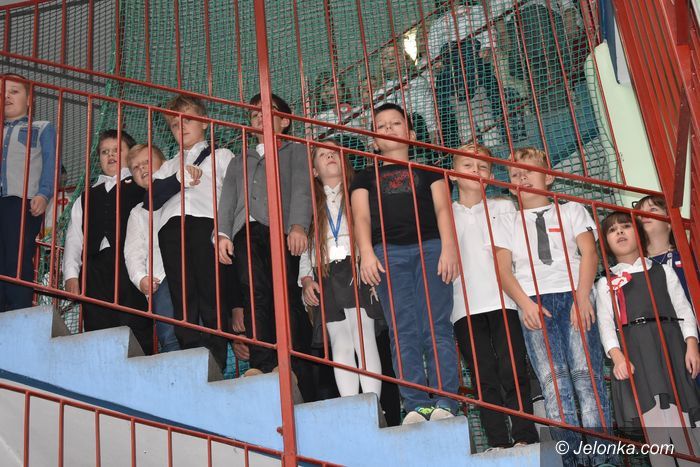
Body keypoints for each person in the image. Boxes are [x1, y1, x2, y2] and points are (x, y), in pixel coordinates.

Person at [492, 147, 613, 466]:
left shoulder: (572, 210)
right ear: (510, 185)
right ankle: (570, 459)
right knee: (554, 383)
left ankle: (601, 456)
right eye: (515, 174)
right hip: (534, 302)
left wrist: (582, 296)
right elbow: (503, 270)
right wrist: (524, 304)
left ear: (547, 177)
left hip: (573, 295)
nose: (522, 178)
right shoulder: (506, 221)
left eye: (529, 171)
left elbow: (589, 253)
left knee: (586, 377)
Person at [350, 103, 460, 424]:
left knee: (436, 326)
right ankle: (416, 404)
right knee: (402, 329)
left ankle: (446, 401)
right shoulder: (363, 178)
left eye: (395, 123)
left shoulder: (430, 172)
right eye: (381, 126)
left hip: (431, 249)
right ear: (373, 140)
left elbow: (443, 210)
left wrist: (449, 247)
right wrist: (366, 253)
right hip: (388, 255)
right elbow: (361, 217)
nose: (388, 129)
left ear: (410, 133)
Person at [217, 93, 314, 399]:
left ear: (284, 121)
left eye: (267, 111)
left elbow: (302, 188)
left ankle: (293, 363)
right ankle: (262, 362)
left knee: (284, 293)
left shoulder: (295, 151)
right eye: (254, 113)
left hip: (280, 229)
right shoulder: (239, 160)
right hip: (245, 231)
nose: (259, 115)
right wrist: (222, 234)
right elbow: (227, 200)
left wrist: (297, 226)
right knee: (253, 292)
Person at [450, 143, 538, 449]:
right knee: (483, 376)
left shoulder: (503, 206)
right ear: (452, 174)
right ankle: (498, 442)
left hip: (505, 302)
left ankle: (525, 435)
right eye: (467, 165)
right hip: (463, 307)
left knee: (513, 370)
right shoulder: (445, 213)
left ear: (490, 176)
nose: (476, 171)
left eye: (483, 167)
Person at [596, 211, 700, 467]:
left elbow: (684, 308)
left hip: (671, 348)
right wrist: (617, 357)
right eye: (612, 230)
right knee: (655, 428)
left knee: (685, 422)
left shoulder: (663, 270)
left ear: (639, 234)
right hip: (636, 354)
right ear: (605, 243)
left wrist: (691, 344)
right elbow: (606, 324)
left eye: (625, 226)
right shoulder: (606, 282)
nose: (620, 232)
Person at [150, 95, 234, 370]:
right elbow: (151, 198)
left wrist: (224, 231)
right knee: (182, 294)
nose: (181, 127)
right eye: (175, 124)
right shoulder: (168, 165)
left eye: (188, 119)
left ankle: (215, 358)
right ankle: (189, 354)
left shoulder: (221, 155)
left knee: (211, 291)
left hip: (206, 223)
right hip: (171, 228)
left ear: (205, 122)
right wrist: (178, 179)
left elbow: (234, 194)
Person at [299, 140, 383, 398]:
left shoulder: (359, 194)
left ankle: (372, 402)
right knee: (339, 339)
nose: (329, 156)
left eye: (334, 152)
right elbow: (306, 246)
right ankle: (350, 403)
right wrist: (306, 279)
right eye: (322, 154)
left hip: (357, 267)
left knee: (363, 333)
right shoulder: (309, 204)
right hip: (324, 271)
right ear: (314, 170)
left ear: (345, 161)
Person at [63, 130, 150, 350]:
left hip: (129, 266)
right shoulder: (86, 196)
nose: (110, 155)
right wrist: (71, 274)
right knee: (96, 324)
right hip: (94, 268)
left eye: (117, 150)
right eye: (104, 152)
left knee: (134, 323)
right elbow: (74, 237)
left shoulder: (141, 187)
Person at [1, 73, 56, 312]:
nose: (6, 96)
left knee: (16, 255)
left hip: (21, 201)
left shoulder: (41, 128)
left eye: (14, 91)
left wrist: (44, 194)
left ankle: (18, 308)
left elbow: (51, 164)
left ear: (29, 98)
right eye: (2, 93)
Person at [123, 144, 179, 353]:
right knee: (169, 336)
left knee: (200, 329)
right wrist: (140, 278)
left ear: (164, 163)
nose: (142, 169)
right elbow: (133, 251)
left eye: (147, 162)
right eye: (135, 167)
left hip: (190, 271)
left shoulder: (181, 193)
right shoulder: (138, 213)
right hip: (160, 279)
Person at [636, 195, 693, 301]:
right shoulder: (636, 266)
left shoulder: (688, 257)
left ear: (669, 222)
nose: (644, 215)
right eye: (639, 213)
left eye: (653, 209)